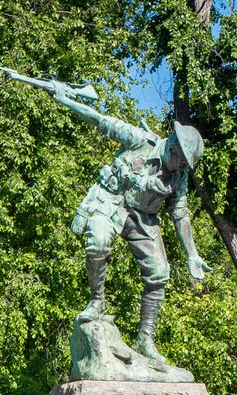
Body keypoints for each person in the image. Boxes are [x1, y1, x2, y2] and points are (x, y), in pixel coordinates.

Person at [50, 84, 210, 365]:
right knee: (97, 241)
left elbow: (180, 213)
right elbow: (101, 120)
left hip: (143, 218)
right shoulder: (140, 141)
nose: (181, 167)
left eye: (185, 164)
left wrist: (192, 254)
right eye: (180, 161)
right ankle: (97, 300)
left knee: (159, 272)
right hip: (111, 201)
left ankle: (144, 338)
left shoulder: (179, 175)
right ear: (172, 146)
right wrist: (65, 100)